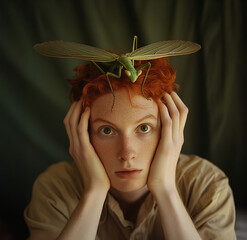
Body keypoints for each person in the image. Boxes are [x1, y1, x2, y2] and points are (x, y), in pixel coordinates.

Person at [24, 58, 236, 240]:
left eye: (144, 128)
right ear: (82, 134)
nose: (127, 153)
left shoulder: (207, 186)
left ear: (169, 129)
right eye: (107, 130)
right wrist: (94, 191)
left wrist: (166, 189)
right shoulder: (54, 189)